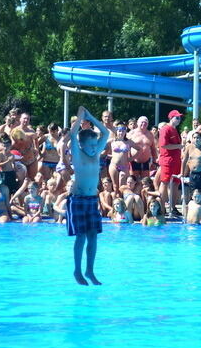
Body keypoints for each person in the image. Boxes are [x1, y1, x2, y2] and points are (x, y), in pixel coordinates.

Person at [67, 106, 110, 286]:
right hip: (77, 199)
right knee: (81, 236)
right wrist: (80, 117)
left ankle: (90, 270)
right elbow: (72, 134)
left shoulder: (95, 154)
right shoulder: (78, 155)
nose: (94, 148)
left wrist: (91, 117)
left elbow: (106, 133)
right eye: (90, 145)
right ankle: (77, 270)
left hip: (92, 200)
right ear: (82, 145)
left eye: (95, 145)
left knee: (93, 236)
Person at [157, 110, 184, 217]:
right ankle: (161, 207)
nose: (179, 119)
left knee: (176, 183)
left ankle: (173, 208)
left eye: (179, 118)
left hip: (176, 161)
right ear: (171, 118)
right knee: (165, 182)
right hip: (167, 160)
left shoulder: (174, 129)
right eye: (177, 117)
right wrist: (179, 146)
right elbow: (163, 145)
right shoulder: (165, 129)